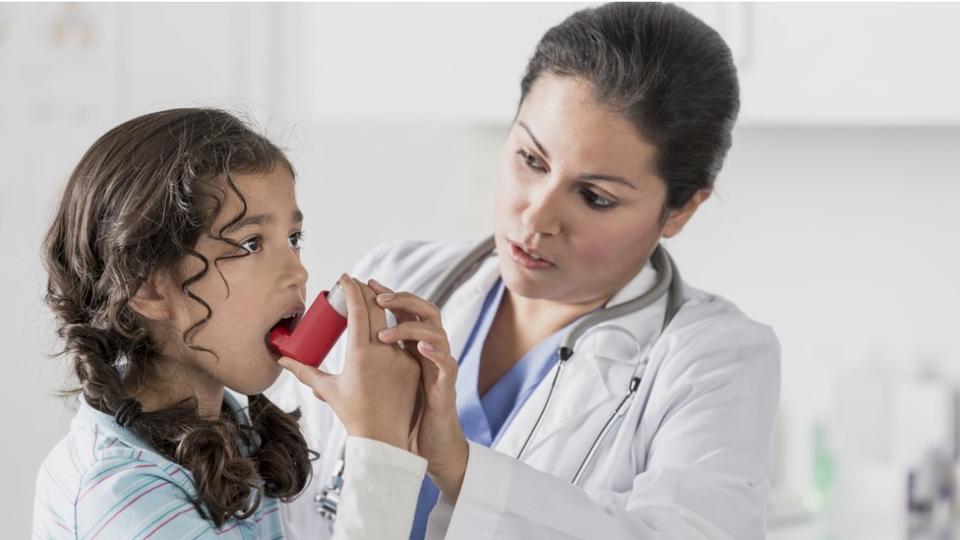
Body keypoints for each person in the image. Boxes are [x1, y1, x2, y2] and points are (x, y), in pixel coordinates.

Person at [271, 3, 780, 540]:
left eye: (594, 197)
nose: (537, 216)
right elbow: (268, 474)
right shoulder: (398, 275)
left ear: (681, 211)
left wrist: (462, 470)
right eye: (531, 160)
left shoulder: (715, 360)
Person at [33, 108, 435, 539]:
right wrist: (379, 445)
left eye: (293, 239)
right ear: (149, 288)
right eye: (250, 243)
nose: (297, 272)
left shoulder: (225, 431)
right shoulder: (123, 497)